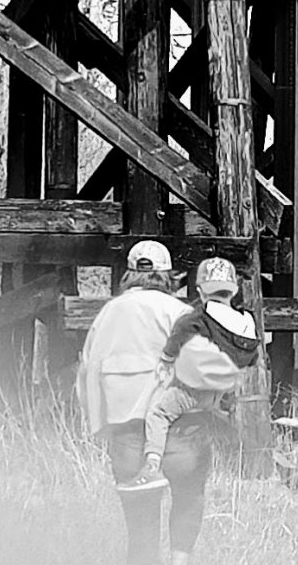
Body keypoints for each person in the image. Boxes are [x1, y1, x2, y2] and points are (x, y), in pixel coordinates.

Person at [75, 241, 213, 565]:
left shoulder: (108, 314)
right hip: (181, 429)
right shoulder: (178, 312)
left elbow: (87, 372)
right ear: (168, 277)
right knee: (188, 498)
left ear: (128, 275)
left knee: (140, 521)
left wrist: (97, 426)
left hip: (127, 431)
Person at [131, 258, 263, 490]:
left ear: (201, 291)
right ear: (233, 291)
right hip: (220, 393)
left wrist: (166, 360)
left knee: (158, 413)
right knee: (207, 418)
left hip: (192, 391)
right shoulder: (246, 321)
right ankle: (229, 456)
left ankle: (152, 465)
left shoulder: (198, 318)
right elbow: (253, 359)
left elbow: (176, 339)